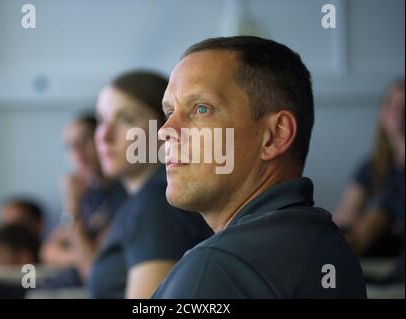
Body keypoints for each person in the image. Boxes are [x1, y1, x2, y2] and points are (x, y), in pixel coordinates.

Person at [152, 36, 366, 298]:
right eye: (169, 112)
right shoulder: (330, 245)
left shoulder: (216, 266)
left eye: (201, 109)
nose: (165, 131)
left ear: (275, 135)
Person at [89, 70, 213, 299]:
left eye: (126, 119)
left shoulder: (155, 204)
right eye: (100, 120)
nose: (104, 135)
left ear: (165, 128)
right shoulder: (147, 198)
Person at [40, 113, 128, 287]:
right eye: (70, 146)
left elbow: (92, 270)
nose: (77, 151)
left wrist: (71, 207)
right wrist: (77, 257)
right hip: (53, 286)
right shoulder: (88, 193)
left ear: (102, 140)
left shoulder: (124, 196)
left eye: (84, 140)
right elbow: (48, 252)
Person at [334, 80, 404, 257]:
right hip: (377, 242)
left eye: (403, 104)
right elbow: (344, 214)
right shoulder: (371, 166)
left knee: (383, 210)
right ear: (382, 112)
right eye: (392, 103)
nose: (398, 110)